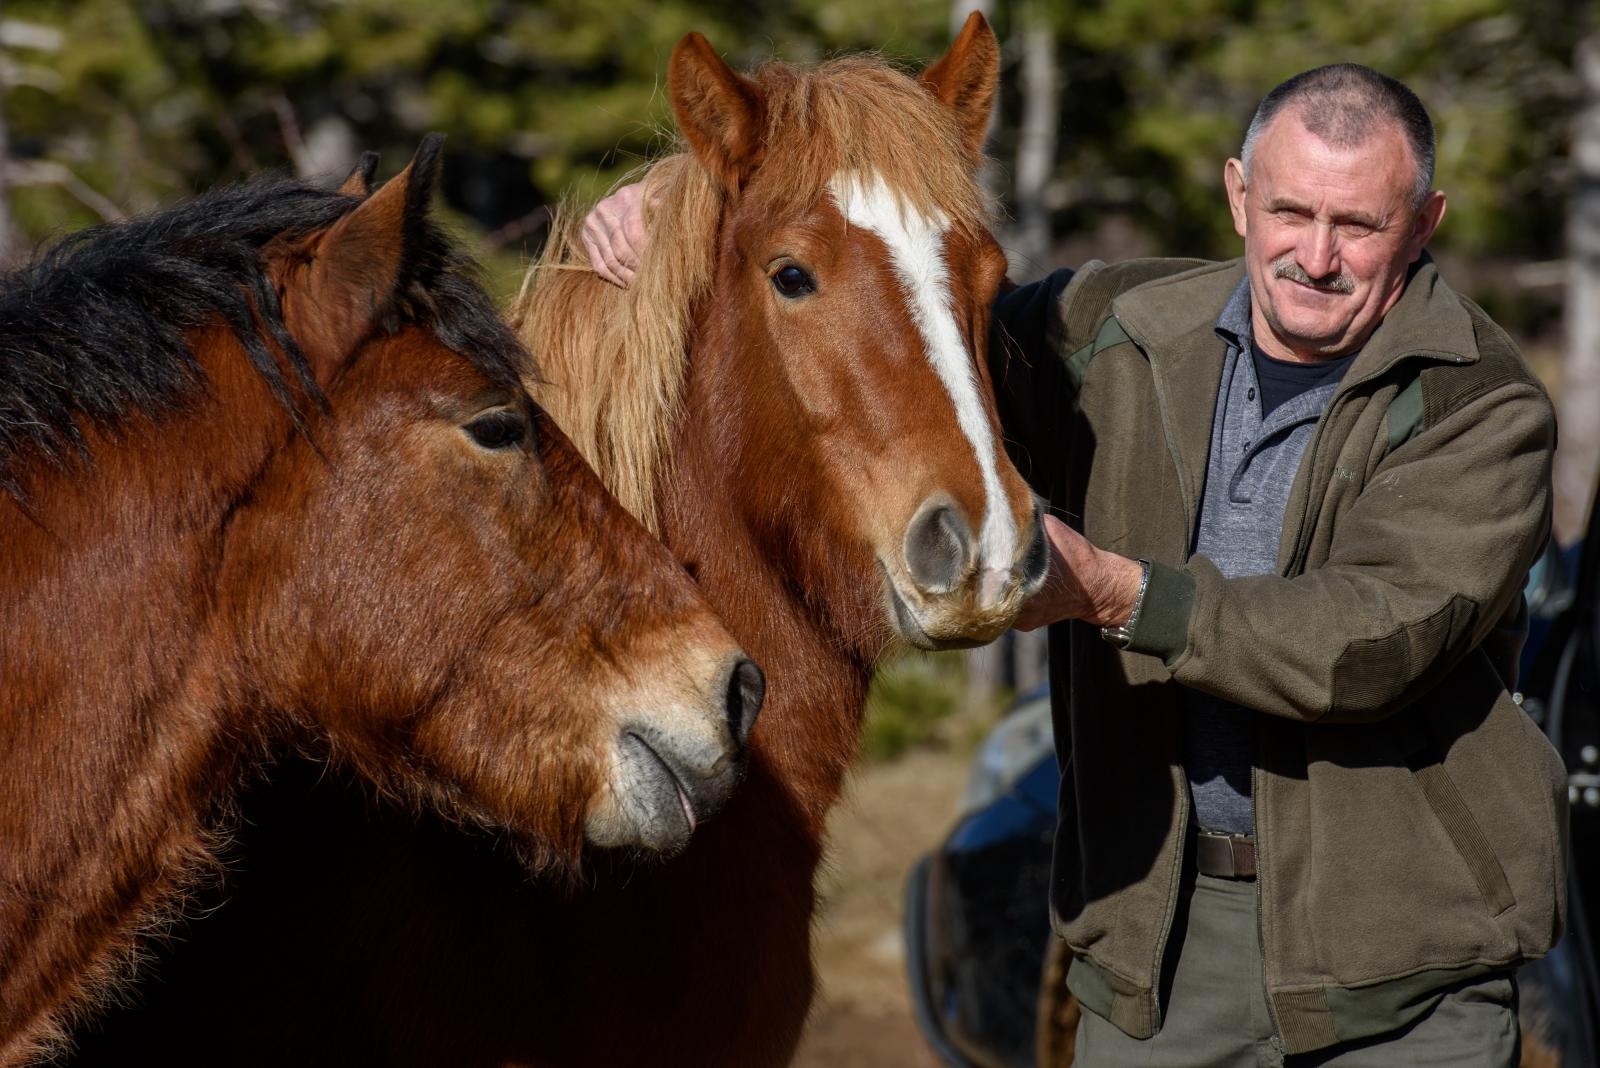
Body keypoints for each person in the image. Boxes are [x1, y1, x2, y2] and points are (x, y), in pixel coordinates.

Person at [583, 63, 1565, 1067]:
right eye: (1288, 210)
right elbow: (887, 308)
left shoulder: (1480, 407)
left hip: (1403, 964)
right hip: (1159, 945)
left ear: (1426, 219)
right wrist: (679, 204)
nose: (1313, 255)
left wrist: (1115, 595)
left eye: (1356, 224)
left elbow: (1367, 642)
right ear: (1237, 194)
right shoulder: (1121, 330)